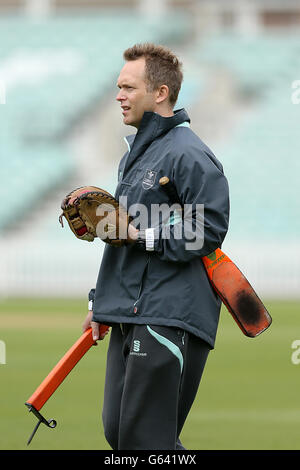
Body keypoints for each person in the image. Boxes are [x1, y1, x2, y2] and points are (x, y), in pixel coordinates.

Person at [82, 43, 230, 450]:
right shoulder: (135, 156)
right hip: (130, 309)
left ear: (160, 93)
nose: (118, 96)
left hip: (170, 312)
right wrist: (102, 302)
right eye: (118, 87)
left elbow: (209, 229)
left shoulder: (189, 152)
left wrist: (142, 235)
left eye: (128, 87)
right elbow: (120, 238)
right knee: (120, 433)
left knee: (144, 439)